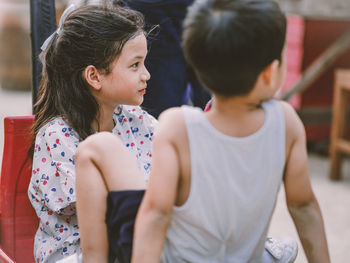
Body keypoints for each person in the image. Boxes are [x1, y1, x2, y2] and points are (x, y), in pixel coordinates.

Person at [131, 0, 331, 261]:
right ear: (271, 72)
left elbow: (156, 214)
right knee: (282, 249)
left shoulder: (176, 127)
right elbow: (303, 206)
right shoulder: (286, 123)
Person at [27, 4, 156, 262]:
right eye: (135, 65)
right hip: (77, 254)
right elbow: (108, 211)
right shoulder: (56, 137)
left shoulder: (139, 122)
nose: (147, 75)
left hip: (132, 244)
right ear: (94, 76)